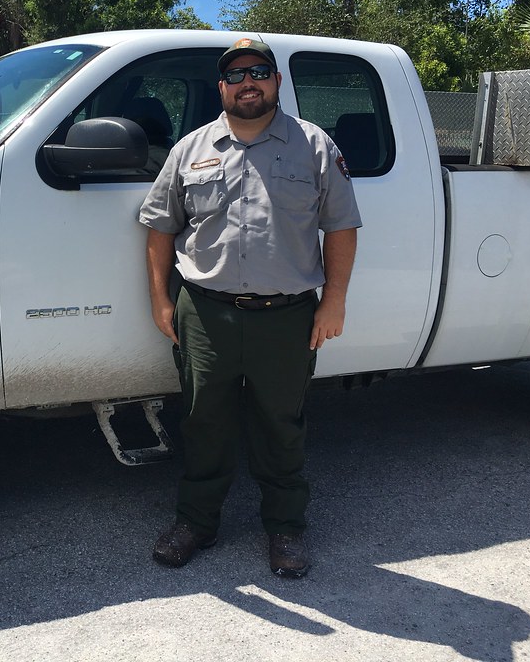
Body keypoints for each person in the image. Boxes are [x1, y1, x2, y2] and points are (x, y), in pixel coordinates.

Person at [138, 38, 362, 578]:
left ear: (277, 81)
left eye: (259, 71)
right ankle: (196, 521)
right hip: (206, 312)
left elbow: (342, 225)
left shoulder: (313, 146)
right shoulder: (190, 149)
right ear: (221, 86)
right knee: (202, 421)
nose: (247, 82)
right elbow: (159, 226)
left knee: (280, 425)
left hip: (287, 316)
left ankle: (285, 529)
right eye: (236, 74)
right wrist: (160, 298)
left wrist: (333, 302)